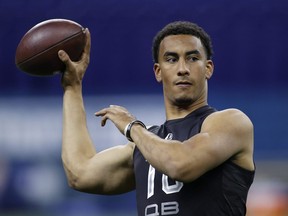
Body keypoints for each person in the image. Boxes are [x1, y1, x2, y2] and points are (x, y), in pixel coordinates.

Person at [58, 21, 255, 215]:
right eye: (171, 59)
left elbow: (181, 165)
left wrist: (132, 127)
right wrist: (72, 87)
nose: (182, 69)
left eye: (193, 58)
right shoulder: (145, 145)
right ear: (158, 72)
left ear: (208, 68)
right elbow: (80, 174)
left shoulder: (231, 122)